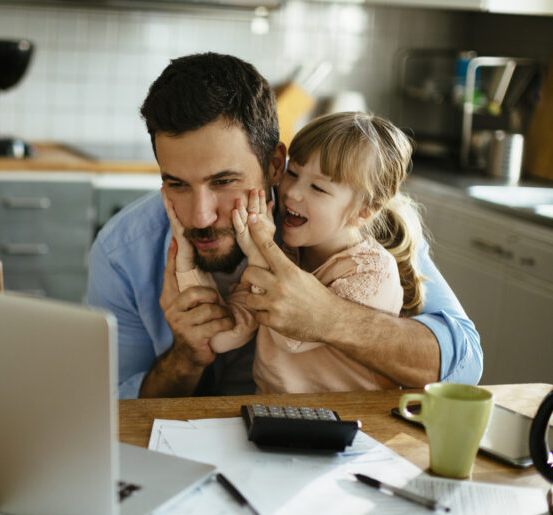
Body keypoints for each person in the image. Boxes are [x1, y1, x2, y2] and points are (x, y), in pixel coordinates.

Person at [86, 52, 482, 399]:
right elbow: (112, 409)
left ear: (276, 165)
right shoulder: (124, 251)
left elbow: (463, 363)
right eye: (176, 184)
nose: (201, 216)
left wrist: (328, 317)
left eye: (224, 182)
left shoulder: (347, 224)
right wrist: (186, 356)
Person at [167, 111, 426, 393]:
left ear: (364, 212)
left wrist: (257, 253)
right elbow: (222, 338)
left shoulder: (373, 272)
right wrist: (187, 264)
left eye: (318, 187)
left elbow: (291, 336)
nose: (292, 192)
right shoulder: (288, 254)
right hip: (276, 415)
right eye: (293, 173)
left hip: (351, 421)